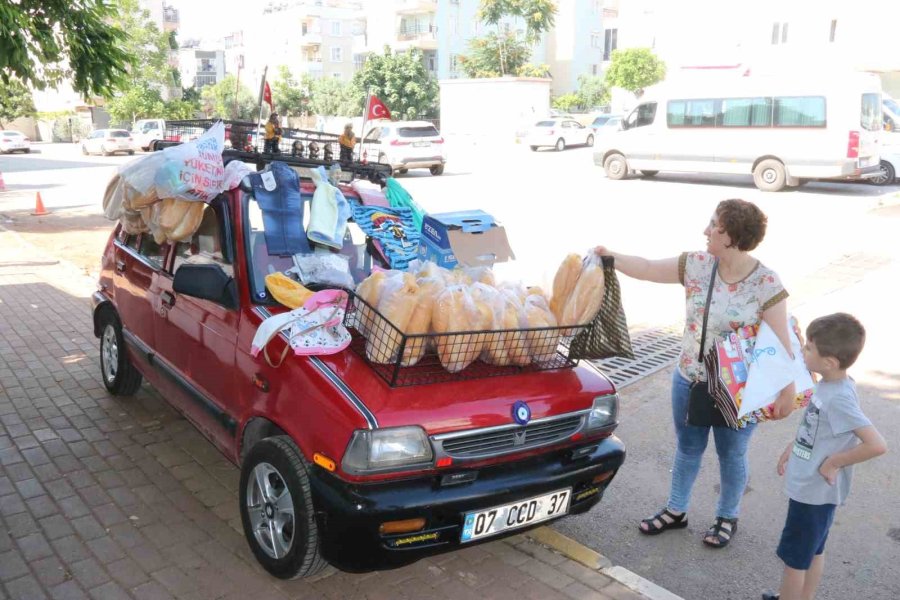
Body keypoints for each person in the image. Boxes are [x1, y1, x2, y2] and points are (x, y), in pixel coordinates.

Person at [595, 198, 797, 549]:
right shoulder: (697, 264)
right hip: (689, 379)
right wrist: (611, 257)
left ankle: (727, 516)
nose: (706, 230)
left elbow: (782, 341)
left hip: (738, 390)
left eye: (714, 225)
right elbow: (647, 267)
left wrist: (787, 390)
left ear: (731, 236)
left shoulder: (765, 282)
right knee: (688, 448)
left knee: (731, 455)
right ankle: (676, 510)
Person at [762, 313, 887, 600]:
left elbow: (877, 444)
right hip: (812, 491)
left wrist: (833, 463)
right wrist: (794, 445)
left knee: (795, 560)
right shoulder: (830, 385)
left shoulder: (839, 397)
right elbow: (818, 427)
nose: (803, 351)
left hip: (813, 494)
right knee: (813, 550)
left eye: (808, 347)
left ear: (829, 362)